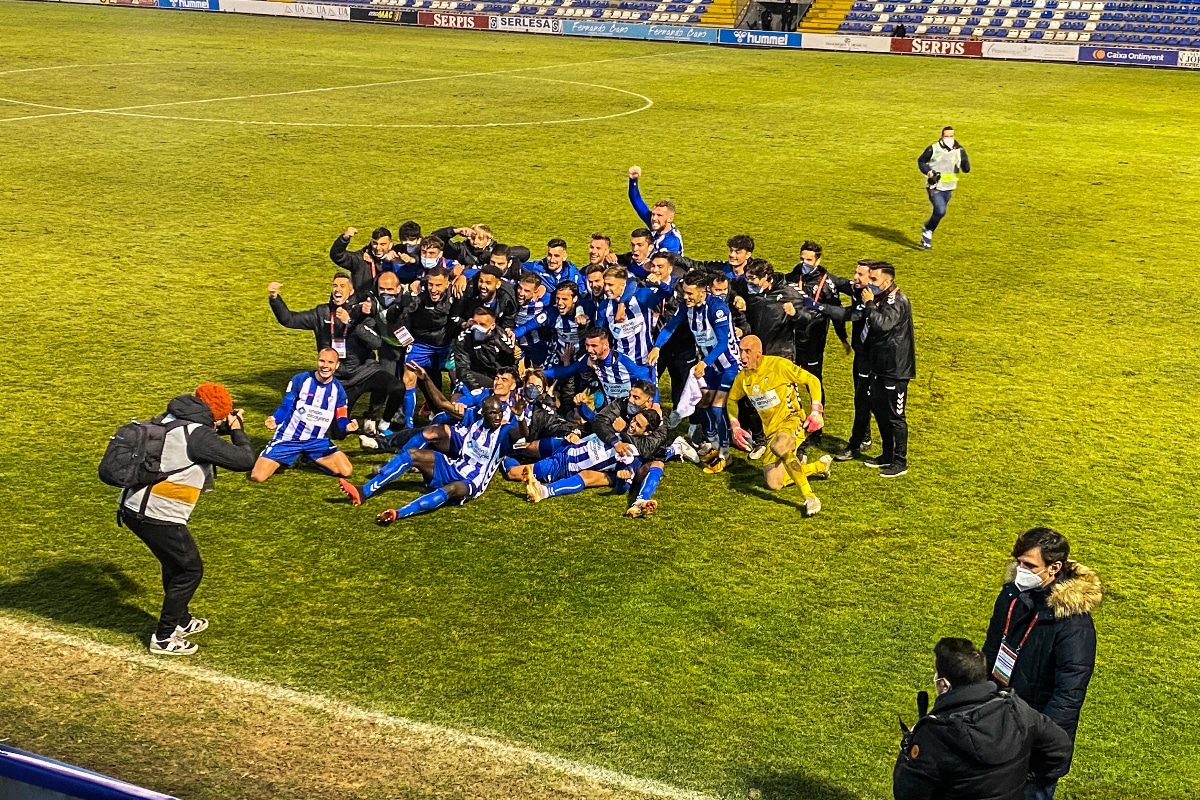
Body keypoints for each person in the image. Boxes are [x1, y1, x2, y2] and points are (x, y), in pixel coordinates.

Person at [118, 383, 254, 655]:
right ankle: (165, 637)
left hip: (133, 506)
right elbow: (244, 460)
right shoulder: (199, 435)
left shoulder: (173, 418)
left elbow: (192, 441)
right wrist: (237, 430)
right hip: (157, 514)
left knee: (174, 563)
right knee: (190, 570)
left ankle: (182, 619)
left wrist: (220, 427)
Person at [982, 528, 1101, 800]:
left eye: (1029, 565)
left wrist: (1037, 748)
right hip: (999, 727)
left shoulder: (1073, 625)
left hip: (1034, 744)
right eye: (1018, 562)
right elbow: (991, 650)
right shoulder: (1012, 595)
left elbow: (1068, 696)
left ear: (1054, 567)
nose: (1020, 570)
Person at [893, 637, 1073, 800]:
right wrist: (1022, 776)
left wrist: (908, 746)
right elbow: (1060, 747)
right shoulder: (1016, 709)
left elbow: (907, 793)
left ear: (944, 685)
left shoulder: (934, 736)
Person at [343, 394, 526, 522]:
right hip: (452, 466)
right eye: (492, 413)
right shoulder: (473, 419)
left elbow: (524, 433)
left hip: (471, 482)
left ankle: (398, 513)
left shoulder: (504, 432)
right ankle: (364, 491)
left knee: (452, 488)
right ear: (483, 414)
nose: (497, 416)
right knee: (412, 454)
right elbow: (441, 402)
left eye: (500, 412)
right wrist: (424, 378)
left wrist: (520, 416)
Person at [267, 277, 404, 425]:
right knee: (338, 432)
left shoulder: (362, 312)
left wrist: (350, 323)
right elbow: (289, 320)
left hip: (364, 372)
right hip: (339, 380)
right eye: (335, 286)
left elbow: (376, 342)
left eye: (342, 286)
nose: (337, 289)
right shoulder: (321, 313)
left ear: (351, 291)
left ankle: (384, 423)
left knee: (397, 388)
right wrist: (275, 298)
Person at [726, 336, 831, 516]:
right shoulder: (744, 378)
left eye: (747, 351)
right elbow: (732, 400)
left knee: (780, 446)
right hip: (772, 432)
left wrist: (816, 411)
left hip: (793, 420)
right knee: (774, 483)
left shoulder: (779, 366)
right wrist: (735, 425)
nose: (742, 356)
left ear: (759, 353)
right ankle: (819, 467)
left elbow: (812, 380)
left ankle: (810, 497)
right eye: (741, 350)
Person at [648, 270, 741, 474]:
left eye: (690, 294)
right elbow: (670, 327)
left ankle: (726, 452)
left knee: (717, 408)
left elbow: (724, 343)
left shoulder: (717, 309)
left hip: (728, 366)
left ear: (703, 291)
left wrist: (705, 362)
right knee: (705, 405)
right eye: (684, 293)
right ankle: (712, 443)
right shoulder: (687, 307)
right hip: (709, 366)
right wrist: (657, 346)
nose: (686, 297)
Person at [250, 349, 353, 482]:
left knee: (345, 471)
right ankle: (288, 457)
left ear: (337, 365)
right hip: (289, 439)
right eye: (322, 361)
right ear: (317, 361)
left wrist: (347, 426)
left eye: (330, 362)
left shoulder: (338, 391)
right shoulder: (300, 380)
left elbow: (341, 418)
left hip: (316, 441)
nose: (325, 365)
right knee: (258, 476)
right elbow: (286, 405)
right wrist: (276, 419)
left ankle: (308, 458)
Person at [809, 259, 876, 462]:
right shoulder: (858, 289)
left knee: (866, 400)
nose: (855, 277)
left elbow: (848, 314)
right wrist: (817, 271)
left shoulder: (872, 298)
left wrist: (818, 307)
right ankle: (864, 438)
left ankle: (857, 444)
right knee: (861, 398)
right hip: (861, 354)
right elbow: (837, 281)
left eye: (860, 274)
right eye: (855, 272)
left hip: (873, 358)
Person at [523, 408, 665, 503]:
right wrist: (581, 408)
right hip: (569, 446)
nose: (632, 424)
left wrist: (623, 479)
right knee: (527, 448)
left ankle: (544, 491)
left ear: (647, 433)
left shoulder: (631, 451)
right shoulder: (621, 418)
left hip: (571, 463)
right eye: (634, 420)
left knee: (515, 473)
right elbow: (596, 420)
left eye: (638, 425)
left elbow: (623, 485)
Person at [858, 262, 915, 477]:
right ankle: (887, 455)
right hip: (880, 365)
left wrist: (870, 305)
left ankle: (900, 462)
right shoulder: (884, 298)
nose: (869, 284)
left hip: (896, 369)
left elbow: (882, 324)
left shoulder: (897, 301)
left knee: (895, 415)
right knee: (879, 409)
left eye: (874, 280)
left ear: (887, 280)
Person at [785, 240, 851, 409]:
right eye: (802, 259)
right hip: (790, 339)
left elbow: (837, 313)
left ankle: (817, 426)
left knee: (813, 383)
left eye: (808, 260)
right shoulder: (790, 278)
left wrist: (842, 337)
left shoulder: (828, 284)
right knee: (786, 381)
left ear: (817, 261)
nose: (804, 264)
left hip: (814, 340)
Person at [918, 126, 971, 250]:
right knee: (941, 211)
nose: (949, 139)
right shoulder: (933, 149)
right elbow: (921, 161)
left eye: (951, 136)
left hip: (949, 187)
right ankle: (928, 231)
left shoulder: (959, 151)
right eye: (946, 136)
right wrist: (929, 172)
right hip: (935, 186)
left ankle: (928, 229)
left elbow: (966, 169)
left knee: (939, 213)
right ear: (942, 136)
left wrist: (964, 162)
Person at [451, 306, 520, 392]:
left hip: (499, 376)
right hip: (478, 376)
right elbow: (463, 368)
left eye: (482, 324)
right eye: (475, 323)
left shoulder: (502, 337)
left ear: (492, 326)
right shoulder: (463, 339)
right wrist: (476, 390)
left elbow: (513, 362)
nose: (477, 327)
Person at [627, 166, 682, 254]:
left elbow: (661, 264)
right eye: (653, 214)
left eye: (659, 215)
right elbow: (636, 200)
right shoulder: (658, 225)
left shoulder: (672, 241)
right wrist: (633, 180)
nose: (654, 218)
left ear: (670, 219)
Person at [329, 226, 395, 296]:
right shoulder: (360, 259)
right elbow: (337, 255)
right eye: (375, 243)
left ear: (390, 245)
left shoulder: (396, 259)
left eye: (383, 244)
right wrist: (344, 238)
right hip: (362, 303)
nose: (378, 248)